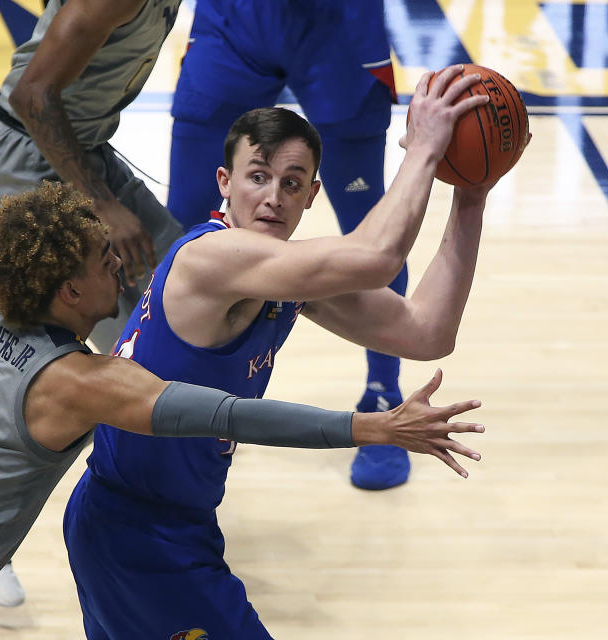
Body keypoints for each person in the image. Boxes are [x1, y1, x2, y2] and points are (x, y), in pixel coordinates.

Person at [0, 182, 485, 640]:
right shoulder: (81, 381)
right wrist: (365, 427)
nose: (122, 264)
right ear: (71, 288)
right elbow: (230, 416)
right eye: (105, 259)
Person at [64, 68, 524, 638]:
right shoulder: (212, 259)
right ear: (224, 183)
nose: (272, 197)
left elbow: (426, 331)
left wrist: (471, 196)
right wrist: (426, 148)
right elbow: (377, 255)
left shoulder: (282, 284)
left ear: (312, 196)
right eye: (258, 176)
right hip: (137, 533)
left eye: (292, 182)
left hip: (168, 524)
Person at [166, 0, 411, 490]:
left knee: (372, 237)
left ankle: (384, 396)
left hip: (337, 23)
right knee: (181, 224)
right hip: (238, 18)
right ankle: (169, 393)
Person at [0, 0, 187, 354]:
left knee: (186, 284)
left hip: (84, 150)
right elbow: (32, 95)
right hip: (24, 156)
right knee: (136, 347)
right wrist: (102, 204)